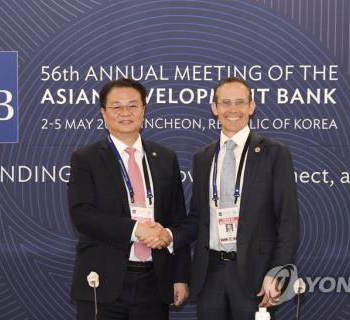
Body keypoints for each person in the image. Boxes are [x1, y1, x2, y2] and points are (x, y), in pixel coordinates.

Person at [171, 77, 300, 319]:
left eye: (240, 102)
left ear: (252, 107)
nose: (233, 110)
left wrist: (278, 271)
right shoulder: (203, 157)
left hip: (257, 273)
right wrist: (168, 236)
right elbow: (198, 217)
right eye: (226, 103)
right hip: (209, 272)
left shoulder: (274, 153)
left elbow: (288, 221)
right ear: (214, 108)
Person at [67, 78, 190, 320]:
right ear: (103, 113)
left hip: (155, 281)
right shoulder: (86, 158)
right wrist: (136, 230)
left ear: (144, 110)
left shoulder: (165, 158)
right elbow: (82, 214)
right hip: (104, 281)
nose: (126, 113)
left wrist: (180, 276)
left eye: (133, 105)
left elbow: (178, 219)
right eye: (117, 107)